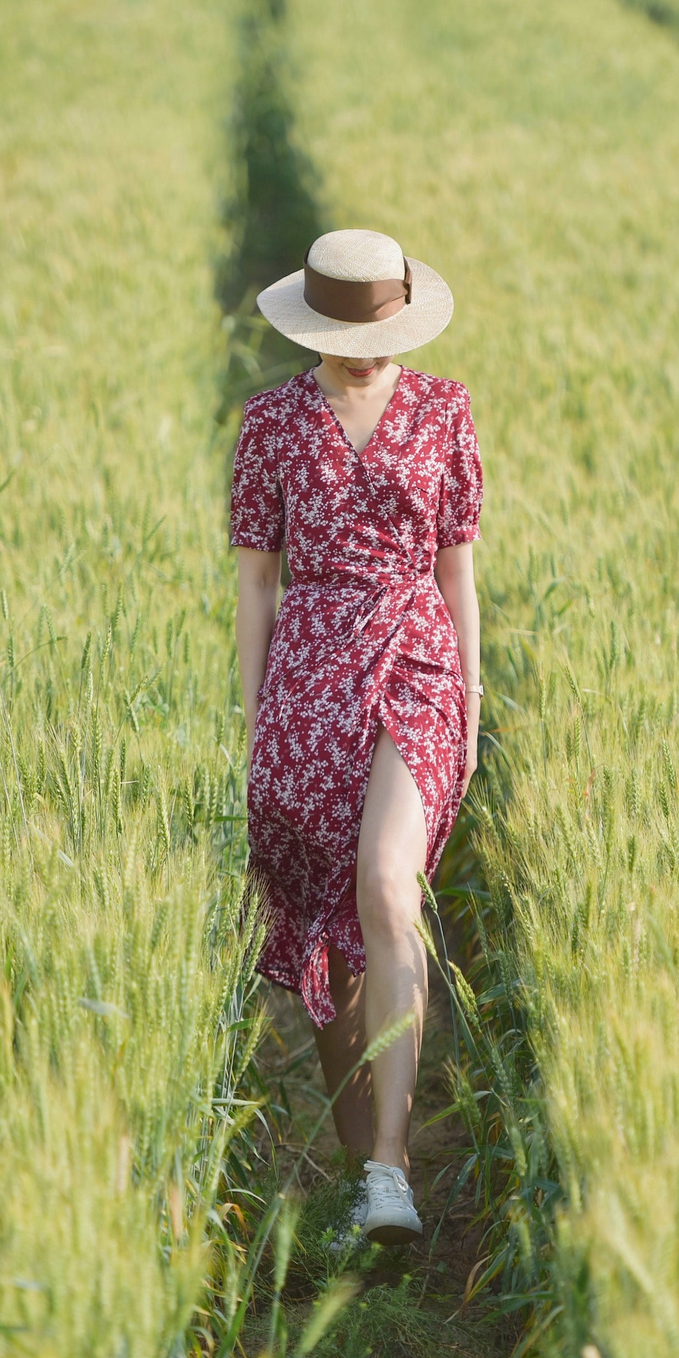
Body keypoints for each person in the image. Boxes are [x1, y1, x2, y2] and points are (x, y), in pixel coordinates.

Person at [231, 228, 482, 1245]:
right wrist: (259, 721)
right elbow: (257, 583)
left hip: (417, 661)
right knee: (321, 932)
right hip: (307, 678)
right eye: (344, 337)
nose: (364, 353)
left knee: (385, 884)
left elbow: (458, 571)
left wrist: (470, 702)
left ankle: (392, 1166)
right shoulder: (271, 423)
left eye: (377, 335)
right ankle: (360, 1175)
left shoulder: (445, 410)